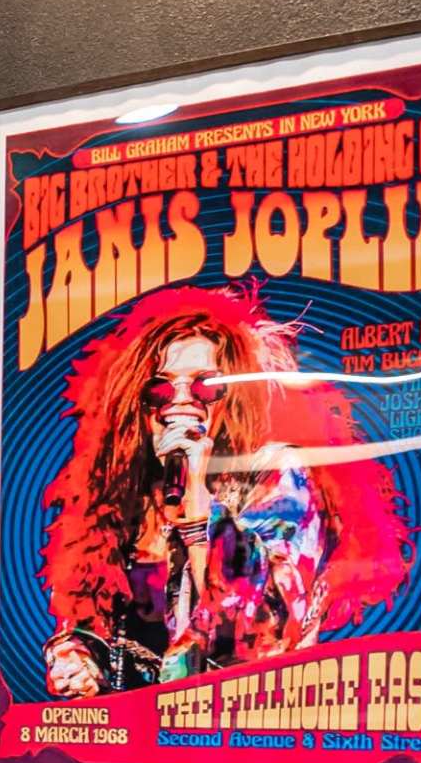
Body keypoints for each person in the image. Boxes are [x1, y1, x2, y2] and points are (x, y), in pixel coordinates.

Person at [37, 284, 392, 698]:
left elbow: (264, 625)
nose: (180, 403)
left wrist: (199, 502)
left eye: (206, 387)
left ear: (234, 398)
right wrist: (75, 657)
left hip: (232, 734)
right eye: (161, 390)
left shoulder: (274, 473)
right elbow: (87, 618)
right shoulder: (122, 496)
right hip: (137, 740)